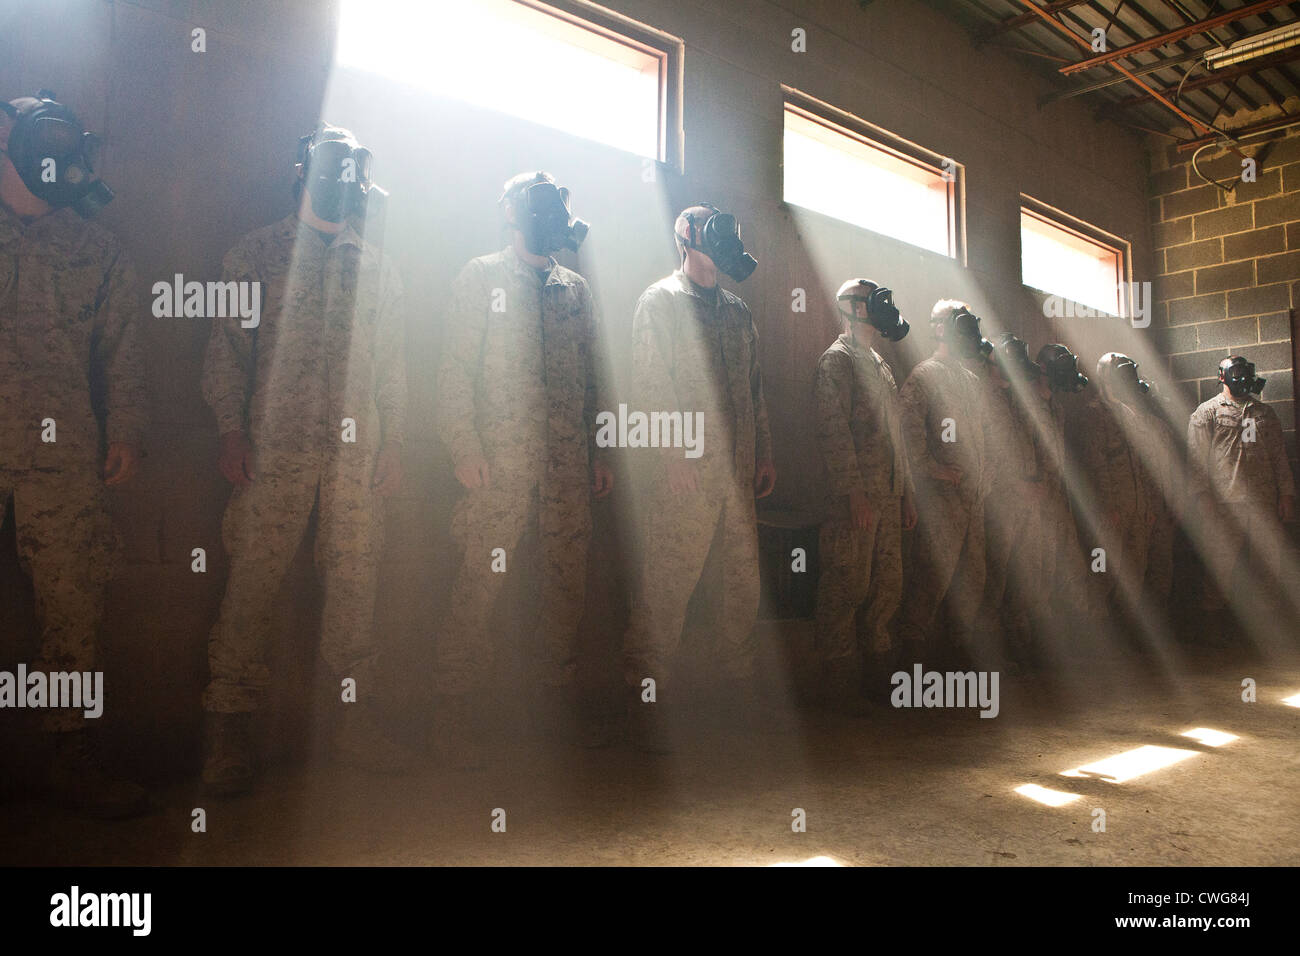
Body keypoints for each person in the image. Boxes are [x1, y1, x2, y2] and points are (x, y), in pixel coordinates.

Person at [200, 124, 410, 795]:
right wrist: (231, 430)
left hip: (356, 457)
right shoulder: (255, 254)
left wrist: (395, 440)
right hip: (274, 453)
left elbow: (391, 366)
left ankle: (351, 728)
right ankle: (228, 738)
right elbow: (227, 353)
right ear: (303, 171)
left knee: (356, 592)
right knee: (252, 588)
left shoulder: (377, 270)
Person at [0, 91, 148, 817]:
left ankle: (75, 764)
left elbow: (123, 350)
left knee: (72, 608)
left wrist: (125, 429)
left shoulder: (97, 247)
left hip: (62, 457)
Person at [435, 171, 611, 767]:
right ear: (512, 214)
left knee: (565, 584)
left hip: (566, 471)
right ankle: (453, 713)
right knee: (479, 583)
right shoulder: (481, 277)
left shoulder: (576, 290)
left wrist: (602, 450)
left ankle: (553, 710)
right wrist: (464, 447)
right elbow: (455, 368)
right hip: (499, 467)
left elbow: (594, 380)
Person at [621, 202, 774, 752]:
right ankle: (644, 704)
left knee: (741, 586)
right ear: (687, 239)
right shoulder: (660, 302)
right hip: (686, 474)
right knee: (668, 583)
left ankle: (735, 694)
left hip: (736, 473)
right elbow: (650, 381)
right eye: (713, 234)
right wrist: (672, 456)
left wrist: (763, 454)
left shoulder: (737, 311)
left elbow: (755, 390)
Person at [813, 279, 915, 714]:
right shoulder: (837, 362)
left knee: (888, 583)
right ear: (851, 308)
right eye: (870, 300)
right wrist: (853, 491)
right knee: (847, 581)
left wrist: (905, 492)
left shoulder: (880, 363)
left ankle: (877, 671)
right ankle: (835, 679)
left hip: (888, 497)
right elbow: (833, 430)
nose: (879, 307)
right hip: (857, 498)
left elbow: (898, 437)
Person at [896, 301, 991, 664]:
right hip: (942, 500)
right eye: (958, 320)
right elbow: (906, 437)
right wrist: (937, 471)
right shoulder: (924, 376)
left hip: (972, 500)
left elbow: (982, 438)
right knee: (930, 581)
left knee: (972, 583)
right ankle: (912, 670)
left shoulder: (970, 380)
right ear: (938, 327)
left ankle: (957, 664)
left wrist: (983, 478)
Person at [1187, 356, 1295, 642]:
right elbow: (1197, 461)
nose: (1241, 378)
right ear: (1222, 376)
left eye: (1245, 372)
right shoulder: (1206, 412)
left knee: (1268, 567)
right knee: (1220, 567)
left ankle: (1267, 633)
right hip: (1224, 505)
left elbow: (1279, 457)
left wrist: (1286, 495)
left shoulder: (1265, 413)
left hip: (1263, 503)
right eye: (1235, 372)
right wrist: (1203, 500)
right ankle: (1214, 630)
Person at [983, 334, 1047, 667]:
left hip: (1028, 501)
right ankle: (992, 656)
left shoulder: (1018, 401)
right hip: (999, 502)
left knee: (1027, 575)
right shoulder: (982, 396)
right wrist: (1016, 486)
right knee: (995, 577)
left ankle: (1020, 646)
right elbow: (983, 453)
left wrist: (1034, 485)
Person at [1079, 352, 1157, 623]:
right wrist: (1107, 507)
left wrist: (1146, 505)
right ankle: (1096, 626)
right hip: (1112, 512)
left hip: (1135, 508)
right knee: (1102, 570)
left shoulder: (1128, 414)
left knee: (1135, 571)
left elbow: (1141, 464)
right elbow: (1095, 465)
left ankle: (1127, 626)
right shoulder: (1093, 414)